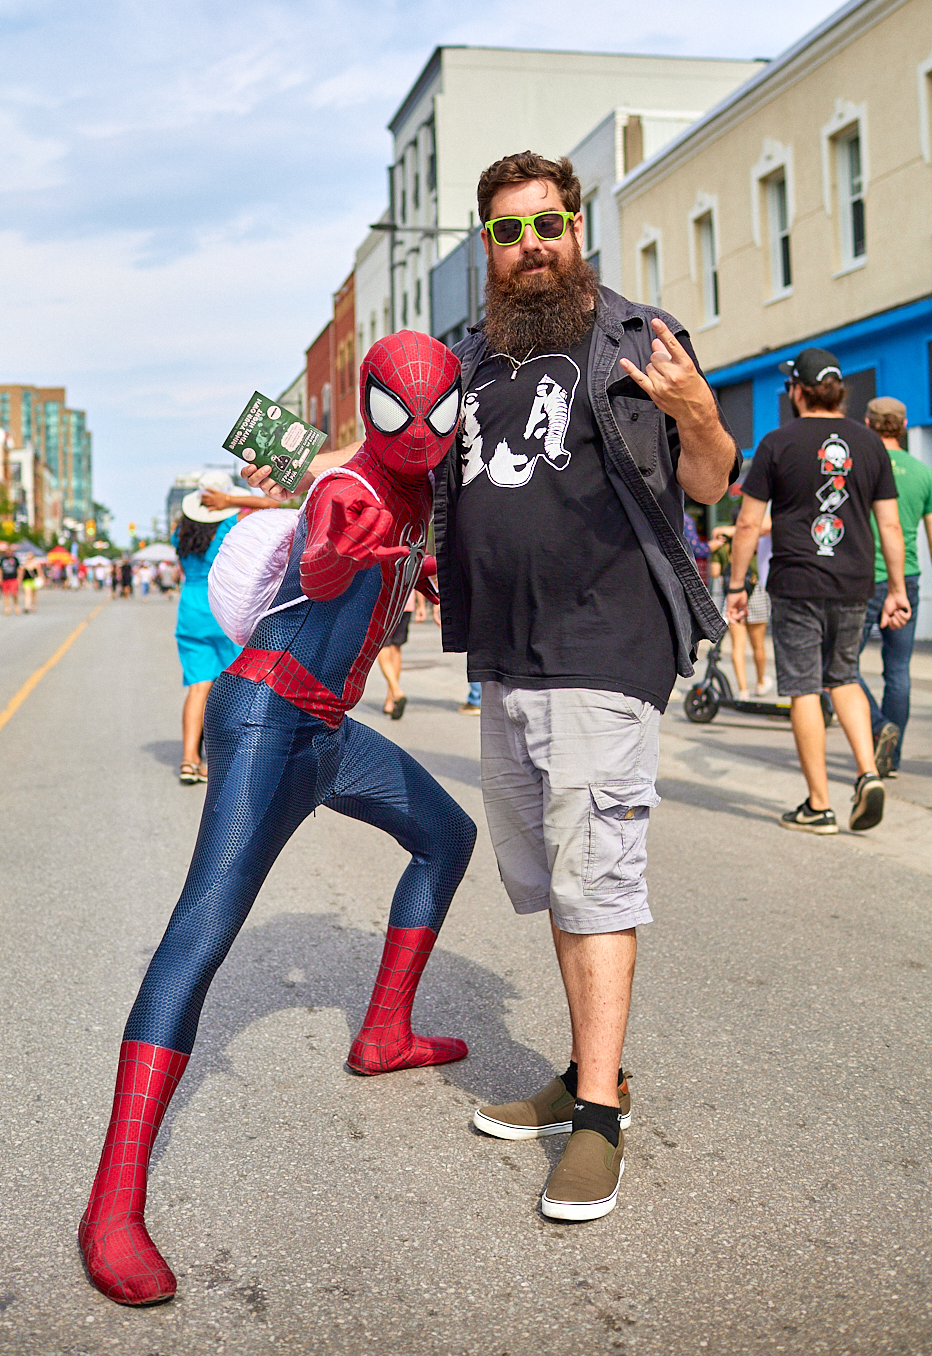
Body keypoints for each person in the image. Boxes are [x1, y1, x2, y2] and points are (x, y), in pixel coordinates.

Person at [245, 151, 738, 1226]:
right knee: (557, 876)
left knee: (596, 875)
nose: (532, 246)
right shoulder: (467, 358)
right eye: (510, 233)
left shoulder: (639, 338)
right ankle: (590, 1074)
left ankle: (598, 1118)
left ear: (577, 228)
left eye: (547, 224)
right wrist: (286, 473)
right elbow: (388, 445)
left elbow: (707, 480)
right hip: (503, 657)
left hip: (606, 647)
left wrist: (699, 414)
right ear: (487, 248)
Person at [79, 333, 476, 1306]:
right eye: (403, 412)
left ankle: (383, 1033)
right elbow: (328, 536)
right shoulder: (351, 488)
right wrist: (333, 558)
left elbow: (369, 557)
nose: (421, 432)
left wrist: (410, 572)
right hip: (265, 722)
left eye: (438, 413)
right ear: (374, 404)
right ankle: (111, 1206)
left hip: (327, 730)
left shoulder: (418, 495)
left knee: (447, 837)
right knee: (201, 933)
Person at [727, 349, 908, 835]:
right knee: (843, 677)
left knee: (805, 687)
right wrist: (896, 589)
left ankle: (819, 805)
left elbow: (747, 524)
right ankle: (868, 774)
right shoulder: (870, 444)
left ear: (798, 391)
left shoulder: (776, 442)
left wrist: (737, 585)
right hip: (854, 581)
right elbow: (890, 525)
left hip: (797, 582)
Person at [171, 474, 271, 785]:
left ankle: (189, 759)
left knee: (198, 687)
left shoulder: (180, 533)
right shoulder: (232, 526)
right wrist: (231, 501)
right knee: (233, 687)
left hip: (191, 610)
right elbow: (272, 504)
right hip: (225, 606)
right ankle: (220, 760)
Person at [858, 396, 932, 776]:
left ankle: (877, 725)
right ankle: (892, 758)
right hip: (909, 579)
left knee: (838, 666)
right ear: (903, 427)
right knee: (899, 670)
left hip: (863, 579)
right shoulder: (923, 472)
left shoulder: (860, 466)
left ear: (868, 424)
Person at [709, 519, 773, 698]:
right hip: (756, 593)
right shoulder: (755, 542)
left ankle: (743, 689)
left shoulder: (722, 547)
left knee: (737, 646)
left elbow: (714, 573)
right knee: (758, 645)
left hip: (733, 594)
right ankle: (760, 683)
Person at [376, 605, 411, 718]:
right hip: (405, 603)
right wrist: (421, 606)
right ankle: (390, 700)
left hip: (382, 605)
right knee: (396, 648)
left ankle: (397, 692)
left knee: (381, 646)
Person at [0, 549, 21, 615]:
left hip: (13, 578)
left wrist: (19, 578)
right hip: (5, 579)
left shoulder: (15, 559)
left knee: (14, 593)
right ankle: (7, 608)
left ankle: (16, 606)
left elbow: (18, 569)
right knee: (5, 594)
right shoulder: (2, 559)